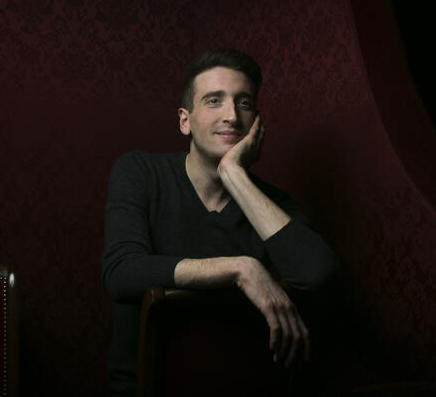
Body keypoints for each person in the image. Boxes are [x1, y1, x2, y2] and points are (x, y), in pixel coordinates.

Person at [102, 48, 337, 396]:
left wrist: (233, 174)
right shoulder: (139, 173)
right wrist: (241, 268)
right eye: (214, 101)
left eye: (244, 103)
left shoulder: (269, 202)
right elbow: (122, 272)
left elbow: (317, 276)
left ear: (255, 123)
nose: (231, 116)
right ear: (185, 121)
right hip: (146, 387)